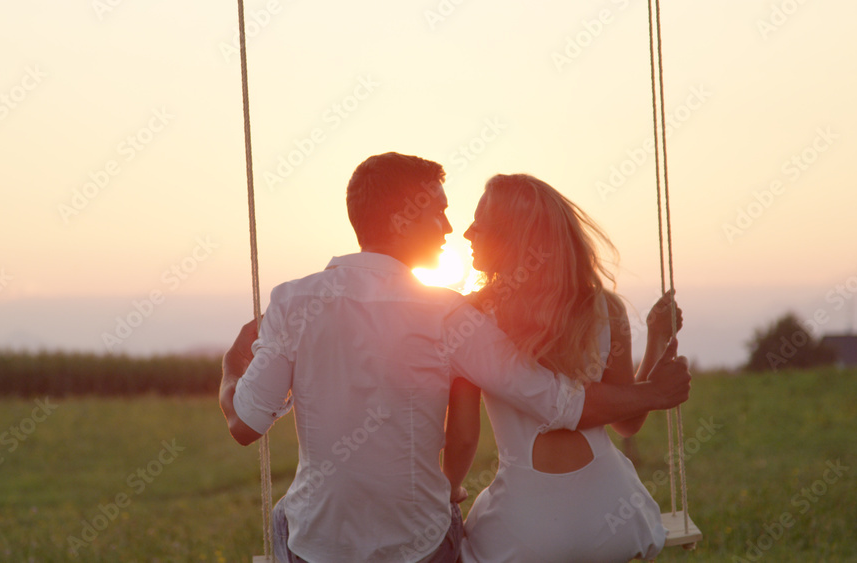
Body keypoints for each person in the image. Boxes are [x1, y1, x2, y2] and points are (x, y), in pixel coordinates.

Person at [219, 153, 690, 563]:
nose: (453, 227)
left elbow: (244, 426)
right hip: (446, 544)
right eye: (440, 212)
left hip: (323, 548)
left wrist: (230, 370)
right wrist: (653, 387)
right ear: (403, 219)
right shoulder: (454, 315)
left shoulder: (292, 301)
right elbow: (559, 403)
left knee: (290, 515)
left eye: (464, 219)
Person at [447, 173, 677, 562]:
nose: (468, 233)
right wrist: (657, 339)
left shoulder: (473, 321)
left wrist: (446, 491)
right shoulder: (605, 308)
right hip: (613, 513)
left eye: (480, 223)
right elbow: (628, 422)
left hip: (528, 529)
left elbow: (465, 437)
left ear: (511, 236)